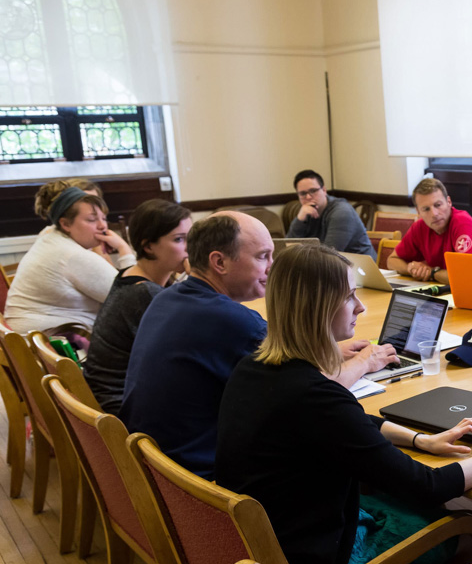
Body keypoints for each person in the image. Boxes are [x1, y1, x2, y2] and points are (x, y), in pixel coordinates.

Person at [216, 243, 472, 564]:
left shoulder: (256, 367)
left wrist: (421, 440)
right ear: (318, 307)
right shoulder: (315, 398)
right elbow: (428, 487)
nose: (360, 307)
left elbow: (344, 423)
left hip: (266, 545)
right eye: (349, 296)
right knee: (465, 524)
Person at [121, 211, 398, 478]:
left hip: (152, 468)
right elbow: (316, 394)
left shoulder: (168, 298)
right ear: (219, 262)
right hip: (202, 483)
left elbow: (282, 368)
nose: (272, 266)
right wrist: (365, 362)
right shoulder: (236, 322)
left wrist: (334, 350)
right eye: (262, 256)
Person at [83, 199, 193, 415]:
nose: (190, 249)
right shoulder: (144, 292)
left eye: (192, 239)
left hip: (112, 397)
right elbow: (190, 343)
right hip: (120, 409)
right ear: (148, 246)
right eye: (179, 239)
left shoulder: (131, 275)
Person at [4, 180, 135, 335]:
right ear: (65, 224)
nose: (102, 226)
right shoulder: (72, 255)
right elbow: (134, 299)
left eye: (104, 218)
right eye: (92, 220)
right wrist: (124, 248)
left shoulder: (50, 237)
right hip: (54, 346)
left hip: (32, 341)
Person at [388, 177, 472, 283]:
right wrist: (411, 269)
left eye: (438, 205)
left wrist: (432, 272)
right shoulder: (419, 227)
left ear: (449, 202)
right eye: (426, 209)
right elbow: (392, 260)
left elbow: (467, 277)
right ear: (418, 211)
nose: (434, 214)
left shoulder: (462, 222)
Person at [286, 169, 376, 258]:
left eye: (313, 191)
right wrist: (299, 220)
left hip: (360, 268)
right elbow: (287, 249)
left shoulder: (342, 212)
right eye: (303, 193)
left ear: (324, 190)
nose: (308, 197)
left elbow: (329, 254)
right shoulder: (306, 212)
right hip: (332, 266)